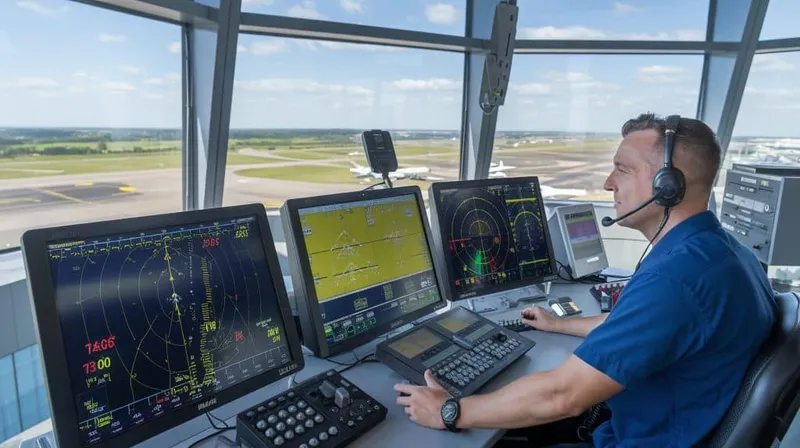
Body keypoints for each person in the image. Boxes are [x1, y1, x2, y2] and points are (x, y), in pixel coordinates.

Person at [393, 113, 777, 447]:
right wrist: (560, 325)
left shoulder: (676, 280)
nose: (609, 183)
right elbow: (641, 324)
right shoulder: (722, 252)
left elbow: (565, 395)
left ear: (668, 184)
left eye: (623, 169)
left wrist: (448, 410)